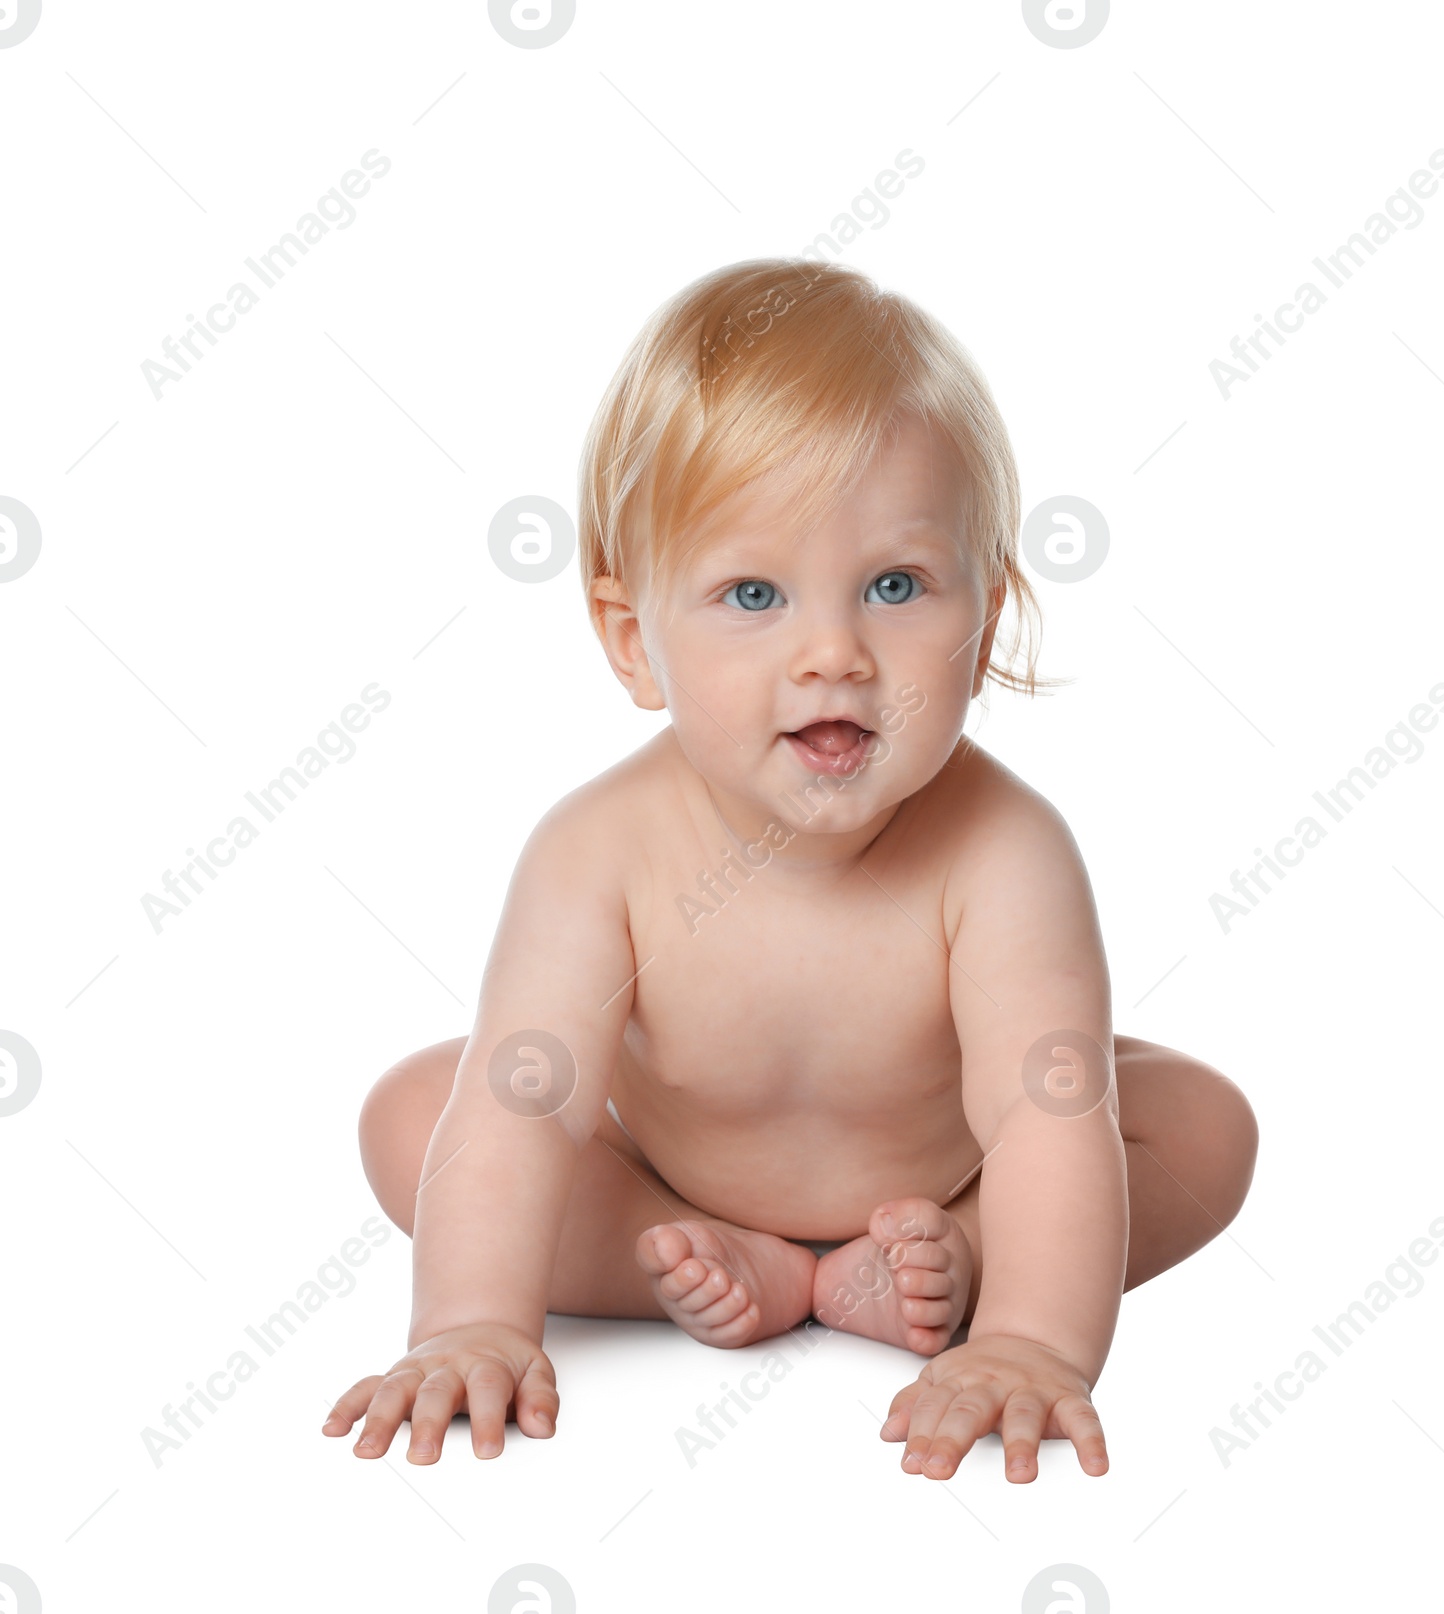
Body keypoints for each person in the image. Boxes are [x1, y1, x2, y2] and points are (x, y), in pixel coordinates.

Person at [322, 257, 1259, 1484]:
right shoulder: (598, 851)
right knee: (420, 1112)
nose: (833, 653)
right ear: (631, 640)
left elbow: (1039, 1113)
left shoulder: (1002, 852)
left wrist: (1032, 1342)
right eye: (752, 593)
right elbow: (526, 1101)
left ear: (987, 618)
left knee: (1200, 1127)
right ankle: (692, 1264)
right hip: (669, 1183)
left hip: (945, 1185)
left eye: (895, 586)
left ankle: (961, 1262)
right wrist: (467, 1323)